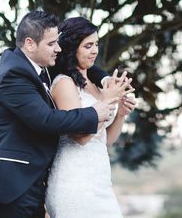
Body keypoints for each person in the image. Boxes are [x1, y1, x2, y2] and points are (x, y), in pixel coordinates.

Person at [0, 10, 129, 218]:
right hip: (9, 184)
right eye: (51, 44)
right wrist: (95, 111)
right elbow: (45, 119)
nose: (57, 48)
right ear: (30, 44)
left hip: (32, 183)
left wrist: (106, 81)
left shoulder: (40, 68)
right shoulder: (13, 75)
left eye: (57, 42)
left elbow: (82, 67)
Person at [45, 16, 137, 218]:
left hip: (100, 182)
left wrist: (120, 113)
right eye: (87, 46)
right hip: (74, 183)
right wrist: (108, 100)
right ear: (72, 48)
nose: (94, 51)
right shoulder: (63, 84)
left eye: (96, 44)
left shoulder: (97, 86)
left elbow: (103, 141)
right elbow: (81, 137)